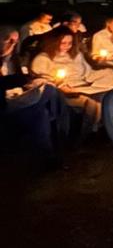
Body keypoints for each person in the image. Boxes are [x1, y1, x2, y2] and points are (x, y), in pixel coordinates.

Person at [30, 29, 113, 131]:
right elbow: (41, 80)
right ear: (53, 42)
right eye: (63, 43)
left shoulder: (76, 55)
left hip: (84, 85)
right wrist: (59, 84)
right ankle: (93, 130)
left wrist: (103, 72)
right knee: (94, 104)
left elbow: (88, 72)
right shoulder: (43, 59)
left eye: (70, 43)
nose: (67, 46)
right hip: (65, 90)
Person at [1, 26, 72, 161]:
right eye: (8, 40)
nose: (12, 44)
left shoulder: (13, 59)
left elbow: (22, 79)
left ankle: (51, 154)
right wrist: (22, 80)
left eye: (15, 41)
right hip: (6, 105)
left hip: (19, 97)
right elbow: (10, 81)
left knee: (42, 110)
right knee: (49, 92)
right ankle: (61, 140)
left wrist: (31, 82)